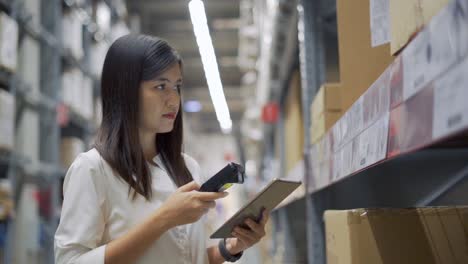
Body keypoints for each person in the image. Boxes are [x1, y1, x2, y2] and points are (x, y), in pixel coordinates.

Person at [54, 34, 269, 264]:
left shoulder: (187, 167)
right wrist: (164, 219)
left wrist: (229, 248)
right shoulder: (92, 169)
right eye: (160, 86)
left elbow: (187, 257)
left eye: (177, 86)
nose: (173, 100)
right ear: (125, 90)